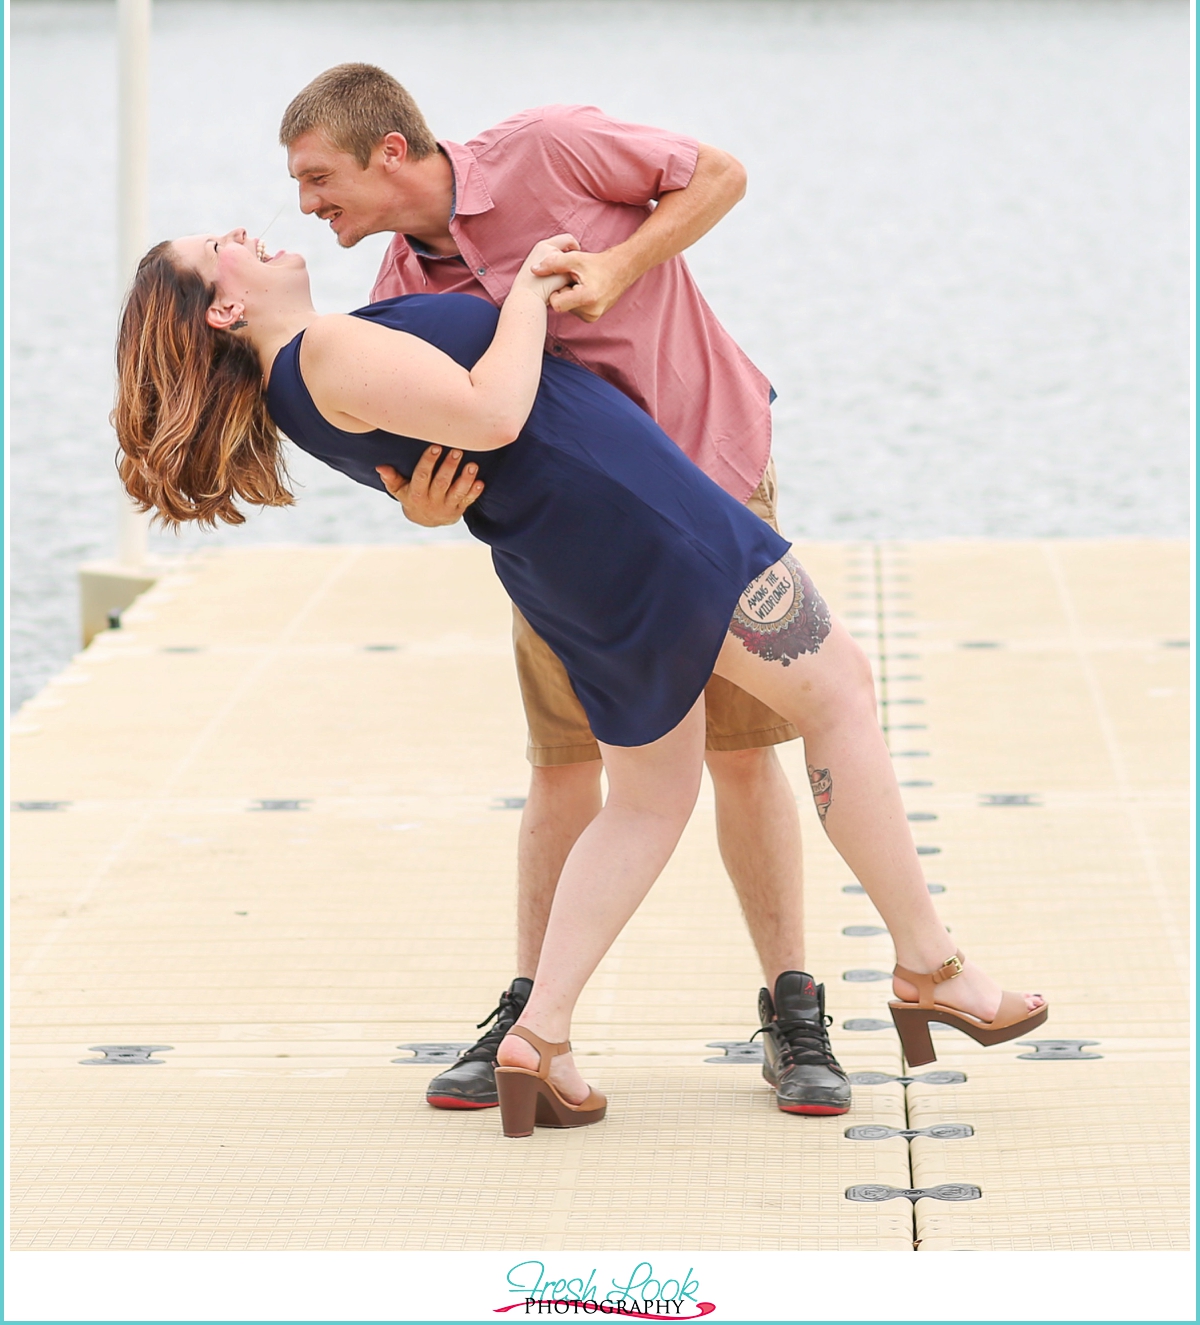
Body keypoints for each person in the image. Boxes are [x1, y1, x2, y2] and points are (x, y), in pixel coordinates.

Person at [113, 227, 1048, 1139]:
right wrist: (523, 292)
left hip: (567, 561)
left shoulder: (304, 387)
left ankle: (541, 1035)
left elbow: (452, 441)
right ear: (226, 307)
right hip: (638, 512)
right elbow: (490, 414)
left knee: (649, 799)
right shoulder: (324, 348)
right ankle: (929, 961)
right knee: (839, 690)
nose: (246, 229)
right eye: (217, 246)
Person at [278, 64, 847, 1117]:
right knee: (563, 765)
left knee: (742, 754)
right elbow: (428, 448)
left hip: (712, 485)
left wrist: (623, 266)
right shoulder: (397, 300)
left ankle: (793, 1009)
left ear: (390, 151)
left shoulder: (550, 145)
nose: (308, 206)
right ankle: (533, 1017)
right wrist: (422, 509)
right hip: (574, 549)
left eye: (320, 178)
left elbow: (720, 176)